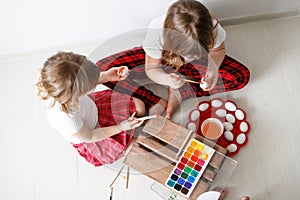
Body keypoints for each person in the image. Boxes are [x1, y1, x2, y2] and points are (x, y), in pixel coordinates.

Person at [96, 0, 249, 119]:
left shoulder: (212, 27)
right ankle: (155, 101)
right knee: (101, 70)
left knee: (241, 77)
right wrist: (166, 79)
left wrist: (212, 70)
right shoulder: (157, 33)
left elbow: (218, 50)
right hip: (161, 60)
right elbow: (152, 69)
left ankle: (182, 91)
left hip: (193, 65)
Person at [37, 52, 146, 167]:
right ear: (75, 93)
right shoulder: (67, 118)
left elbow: (82, 80)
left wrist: (106, 76)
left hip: (95, 108)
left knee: (140, 107)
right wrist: (121, 127)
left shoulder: (59, 83)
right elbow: (90, 136)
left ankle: (129, 132)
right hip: (94, 133)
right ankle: (125, 141)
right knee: (136, 147)